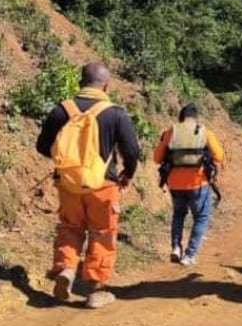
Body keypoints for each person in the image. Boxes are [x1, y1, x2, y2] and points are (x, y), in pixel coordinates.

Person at [35, 62, 141, 309]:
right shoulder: (115, 113)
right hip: (103, 184)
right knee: (102, 233)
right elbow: (132, 151)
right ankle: (96, 289)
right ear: (106, 84)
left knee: (70, 227)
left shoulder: (62, 110)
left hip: (68, 184)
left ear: (80, 82)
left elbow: (42, 147)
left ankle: (66, 269)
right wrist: (128, 173)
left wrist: (71, 163)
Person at [152, 104, 225, 266]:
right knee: (201, 217)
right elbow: (219, 156)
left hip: (175, 183)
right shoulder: (205, 131)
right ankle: (189, 255)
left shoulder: (171, 132)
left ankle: (176, 248)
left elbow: (157, 158)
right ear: (196, 118)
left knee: (178, 214)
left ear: (181, 117)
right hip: (198, 183)